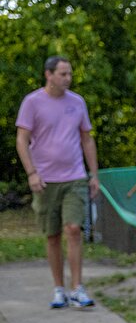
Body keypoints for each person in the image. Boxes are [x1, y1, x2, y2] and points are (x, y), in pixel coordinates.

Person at [14, 55, 98, 309]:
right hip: (45, 181)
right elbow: (21, 140)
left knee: (73, 229)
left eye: (70, 73)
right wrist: (31, 173)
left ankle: (78, 289)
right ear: (48, 75)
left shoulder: (77, 102)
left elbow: (87, 139)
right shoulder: (32, 102)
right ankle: (59, 289)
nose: (68, 78)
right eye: (63, 74)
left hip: (74, 177)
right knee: (53, 235)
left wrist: (93, 174)